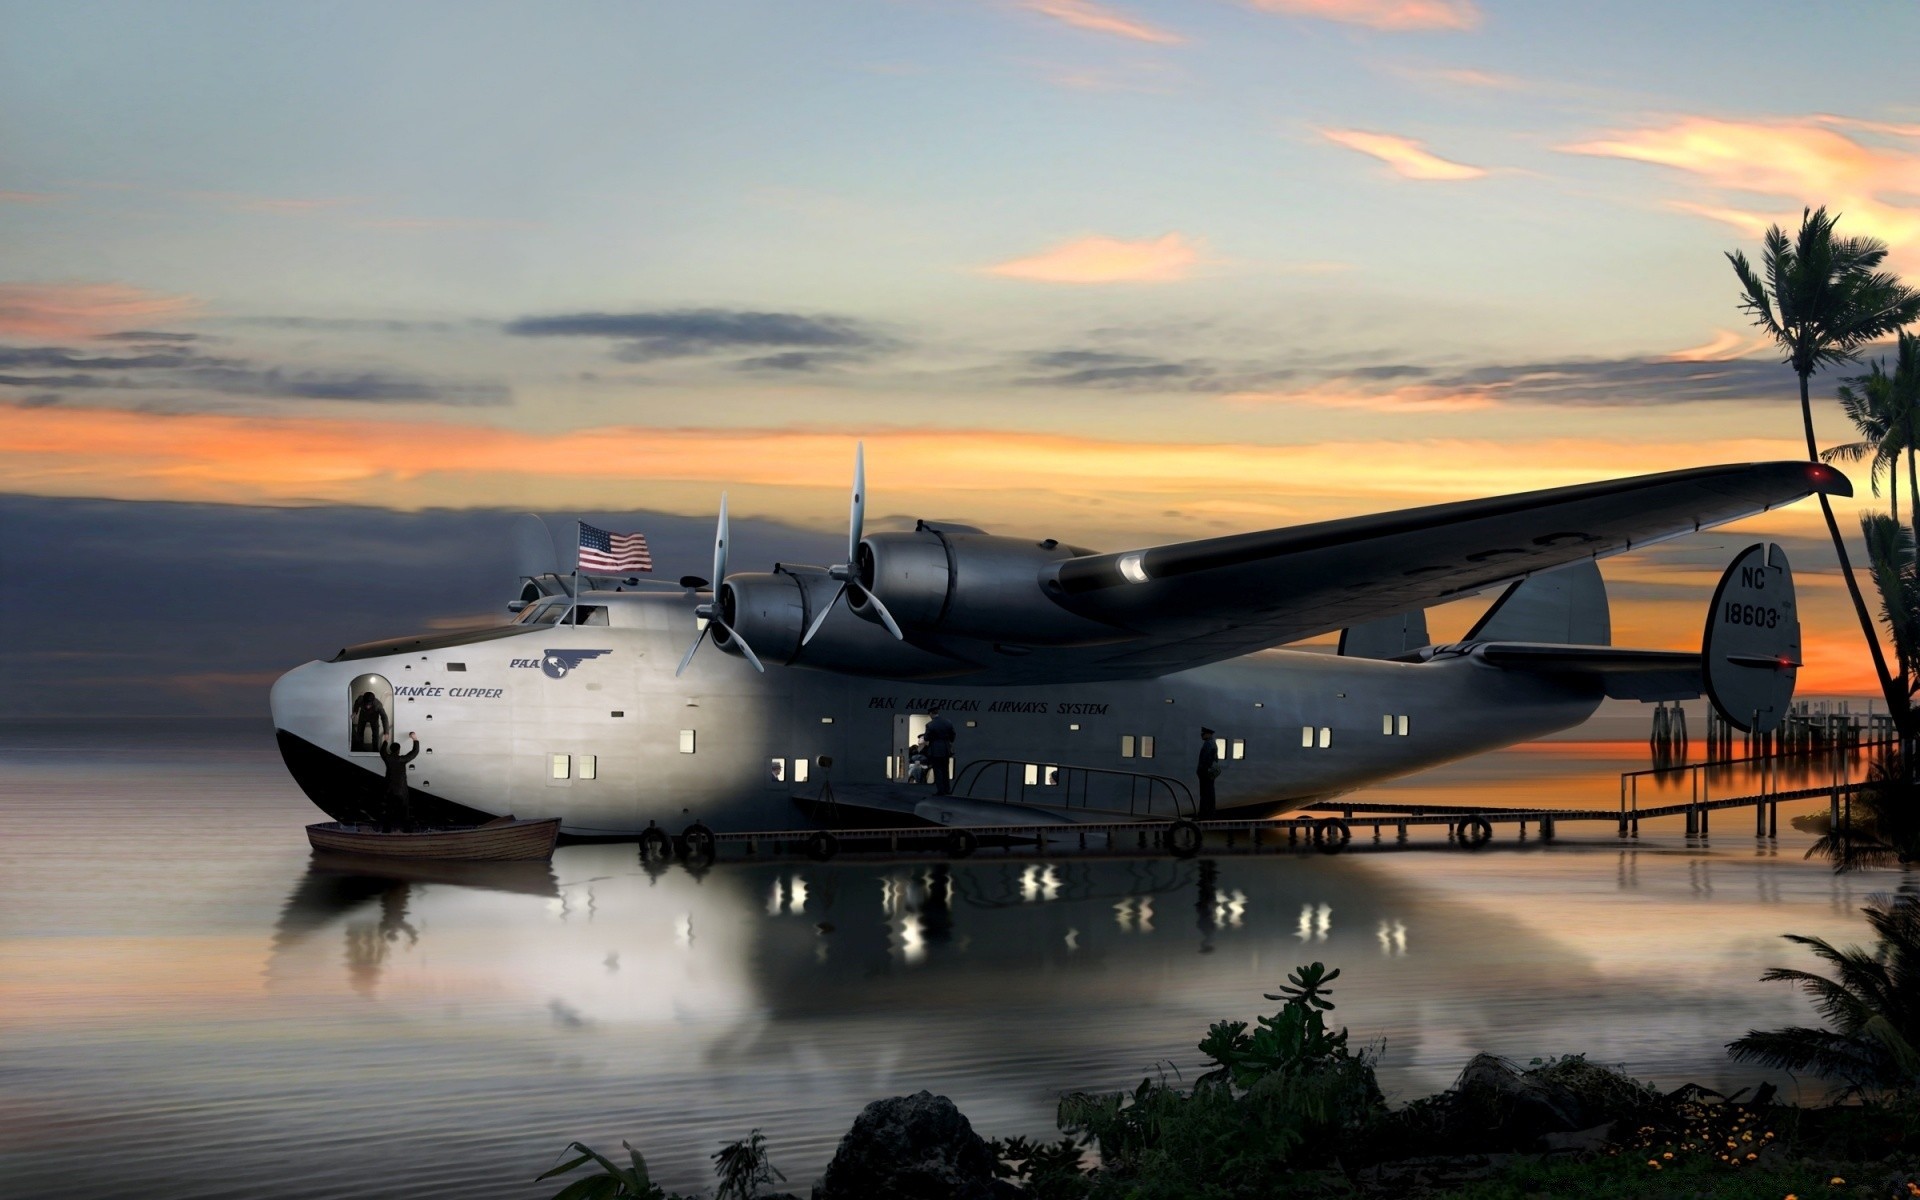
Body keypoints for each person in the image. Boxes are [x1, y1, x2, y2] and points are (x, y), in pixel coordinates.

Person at [377, 732, 421, 832]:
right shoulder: (402, 759)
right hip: (401, 790)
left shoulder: (387, 758)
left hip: (389, 789)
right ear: (399, 750)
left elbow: (382, 751)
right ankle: (407, 830)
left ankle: (386, 831)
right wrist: (415, 739)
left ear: (391, 749)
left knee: (388, 811)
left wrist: (385, 740)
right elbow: (414, 752)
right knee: (405, 812)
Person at [924, 708, 957, 796]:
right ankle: (947, 789)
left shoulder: (930, 725)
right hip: (946, 750)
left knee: (937, 771)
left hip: (935, 751)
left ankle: (940, 791)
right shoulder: (948, 722)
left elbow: (926, 738)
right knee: (945, 770)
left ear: (931, 713)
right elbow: (953, 735)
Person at [1196, 726, 1220, 819]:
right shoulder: (1212, 743)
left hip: (1206, 773)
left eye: (1203, 733)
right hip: (1208, 773)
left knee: (1205, 794)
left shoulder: (1208, 744)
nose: (1201, 735)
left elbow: (1206, 760)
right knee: (1209, 793)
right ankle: (1210, 813)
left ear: (1208, 734)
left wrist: (1202, 770)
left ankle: (1204, 814)